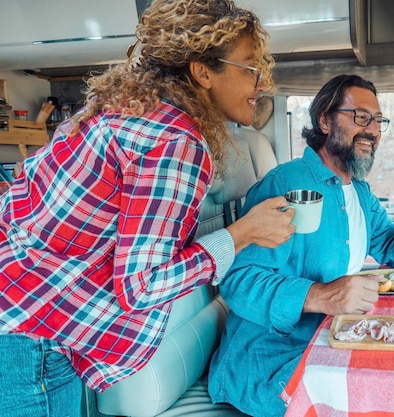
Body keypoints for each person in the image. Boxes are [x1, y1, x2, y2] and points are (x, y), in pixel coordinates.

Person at [0, 1, 295, 416]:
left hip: (19, 313)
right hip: (29, 337)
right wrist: (244, 232)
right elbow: (141, 286)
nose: (262, 81)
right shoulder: (175, 142)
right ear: (203, 71)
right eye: (250, 66)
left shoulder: (128, 113)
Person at [208, 74, 394, 416]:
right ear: (324, 120)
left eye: (378, 120)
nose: (373, 130)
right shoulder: (285, 184)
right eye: (360, 117)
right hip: (272, 361)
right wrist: (322, 295)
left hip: (332, 336)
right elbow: (238, 281)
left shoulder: (360, 191)